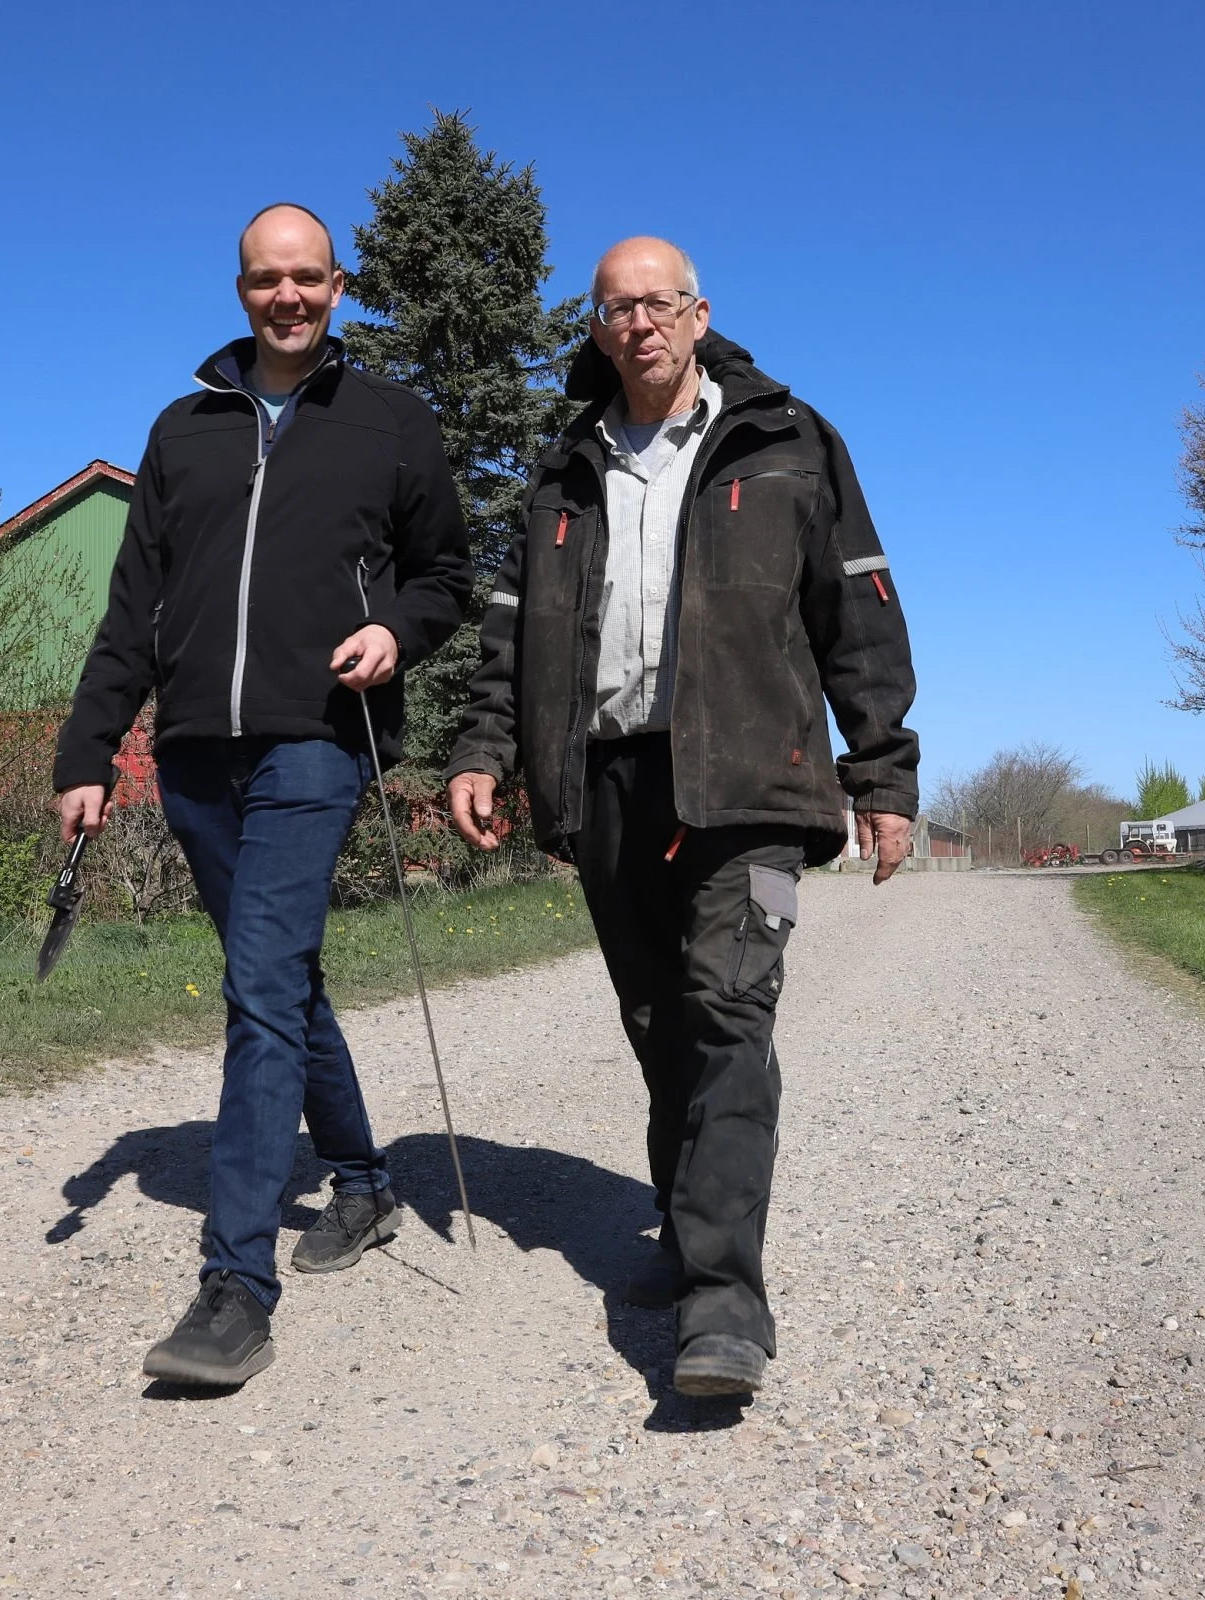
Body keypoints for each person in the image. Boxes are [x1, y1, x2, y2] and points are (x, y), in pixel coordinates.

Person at [444, 237, 919, 1397]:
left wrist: (884, 775)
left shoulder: (790, 441)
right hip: (608, 782)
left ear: (700, 314)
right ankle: (684, 1216)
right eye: (617, 307)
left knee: (726, 1012)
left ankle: (724, 1299)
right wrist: (483, 749)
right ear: (598, 326)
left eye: (659, 303)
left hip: (751, 783)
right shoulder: (565, 464)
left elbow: (856, 613)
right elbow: (511, 633)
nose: (639, 323)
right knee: (659, 1015)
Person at [54, 203, 471, 1387]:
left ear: (338, 286)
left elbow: (446, 570)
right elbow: (131, 605)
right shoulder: (183, 431)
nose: (287, 297)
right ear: (239, 290)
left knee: (258, 989)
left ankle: (237, 1287)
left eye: (307, 279)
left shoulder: (392, 422)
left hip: (317, 739)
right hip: (193, 751)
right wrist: (88, 753)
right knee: (280, 974)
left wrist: (398, 626)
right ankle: (369, 1181)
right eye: (263, 281)